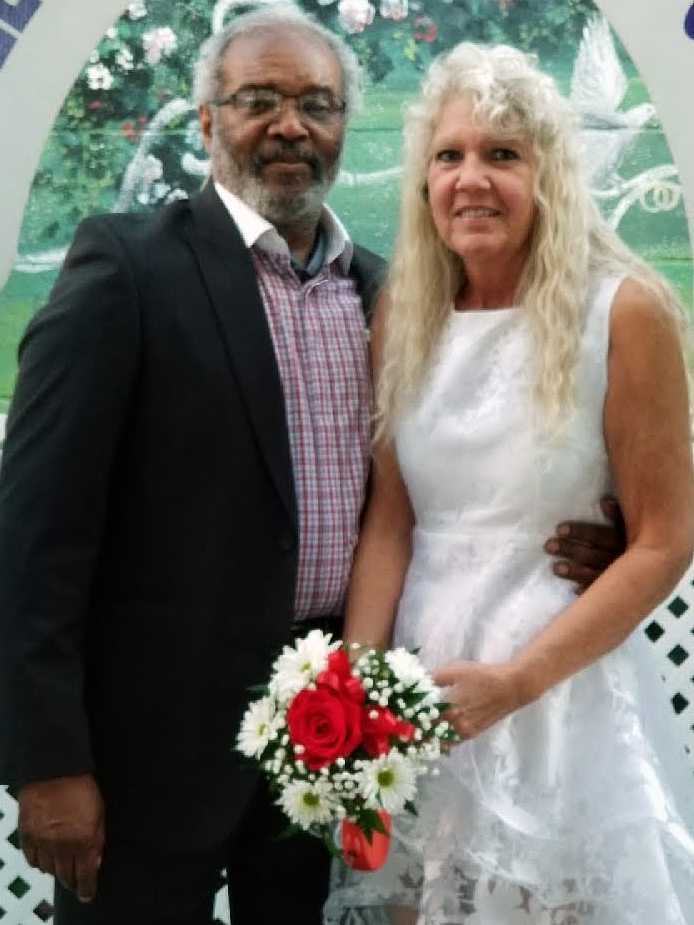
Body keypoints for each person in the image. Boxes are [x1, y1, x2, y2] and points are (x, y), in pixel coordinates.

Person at [0, 9, 623, 925]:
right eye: (258, 100)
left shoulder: (391, 295)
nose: (290, 124)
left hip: (334, 758)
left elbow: (442, 484)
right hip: (149, 760)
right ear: (208, 121)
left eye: (317, 104)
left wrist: (588, 528)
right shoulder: (126, 269)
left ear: (344, 128)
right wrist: (47, 760)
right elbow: (31, 534)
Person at [325, 42, 694, 925]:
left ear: (550, 174)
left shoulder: (624, 311)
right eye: (448, 156)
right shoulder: (401, 318)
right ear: (423, 183)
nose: (471, 179)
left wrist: (520, 682)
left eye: (502, 154)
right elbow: (392, 522)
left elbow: (664, 538)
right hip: (424, 695)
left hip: (556, 696)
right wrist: (358, 688)